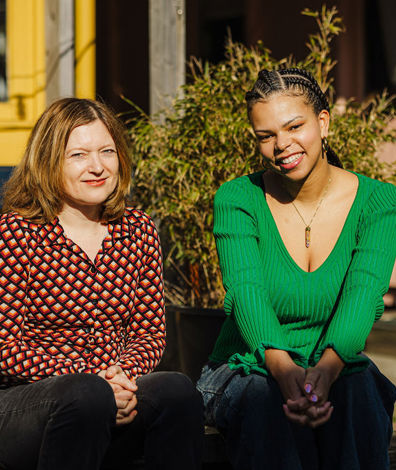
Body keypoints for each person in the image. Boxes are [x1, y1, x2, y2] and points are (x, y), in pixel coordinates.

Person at [197, 68, 396, 470]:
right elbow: (245, 291)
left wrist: (324, 372)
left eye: (294, 126)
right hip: (247, 367)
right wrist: (286, 371)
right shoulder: (238, 199)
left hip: (334, 363)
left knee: (358, 392)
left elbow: (364, 294)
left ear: (323, 122)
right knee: (265, 397)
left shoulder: (379, 202)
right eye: (265, 136)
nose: (281, 145)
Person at [0, 98, 203, 470]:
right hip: (25, 405)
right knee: (86, 393)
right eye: (78, 155)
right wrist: (95, 382)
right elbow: (5, 346)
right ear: (49, 161)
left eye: (107, 151)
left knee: (177, 390)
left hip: (114, 392)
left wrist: (121, 380)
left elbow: (150, 333)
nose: (97, 167)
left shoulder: (137, 230)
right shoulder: (17, 233)